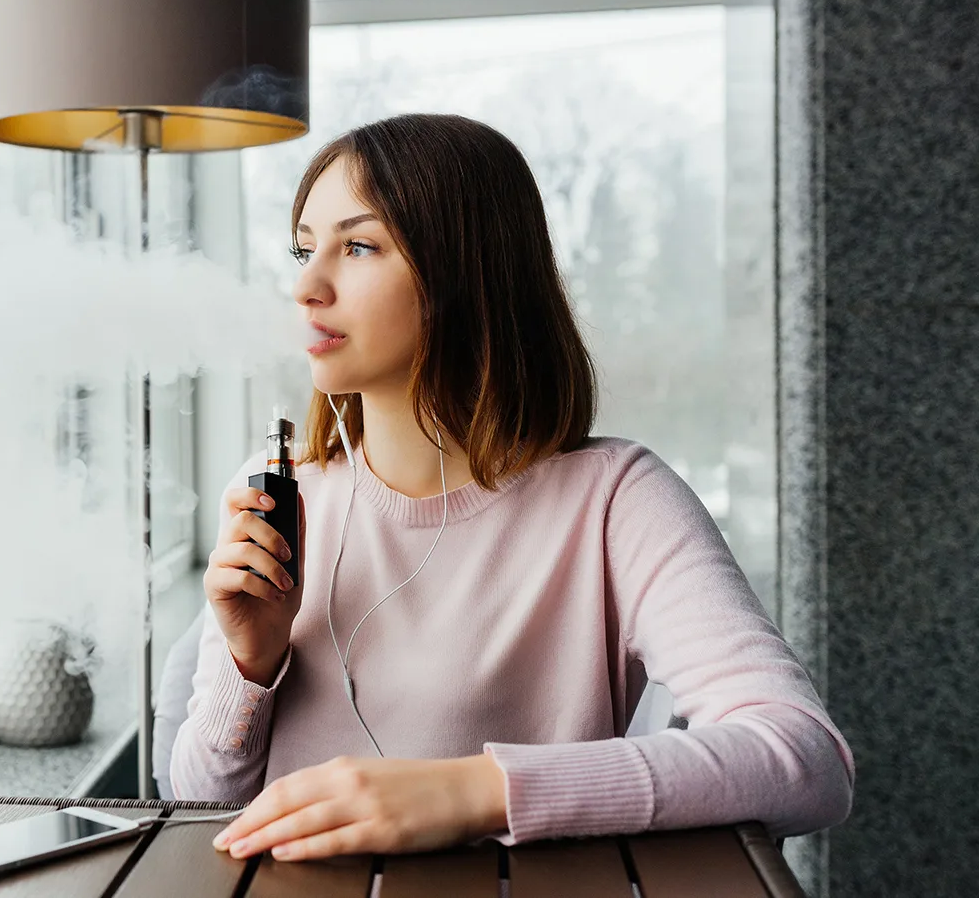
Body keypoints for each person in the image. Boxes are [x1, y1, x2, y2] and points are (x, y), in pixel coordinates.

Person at [169, 113, 854, 862]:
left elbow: (804, 758)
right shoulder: (277, 491)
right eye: (304, 248)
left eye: (358, 246)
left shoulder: (615, 500)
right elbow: (201, 812)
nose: (305, 285)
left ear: (468, 273)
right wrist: (251, 662)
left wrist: (472, 791)